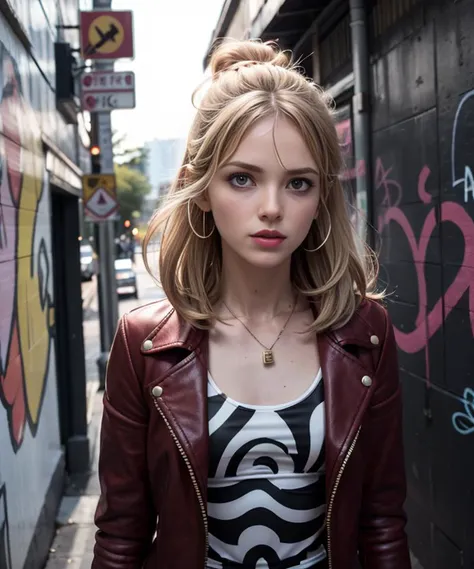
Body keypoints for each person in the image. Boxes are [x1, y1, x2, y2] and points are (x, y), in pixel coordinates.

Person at [92, 40, 411, 569]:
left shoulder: (364, 332)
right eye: (242, 178)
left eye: (298, 183)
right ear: (201, 188)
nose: (271, 208)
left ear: (321, 199)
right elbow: (122, 532)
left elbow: (381, 522)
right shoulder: (144, 344)